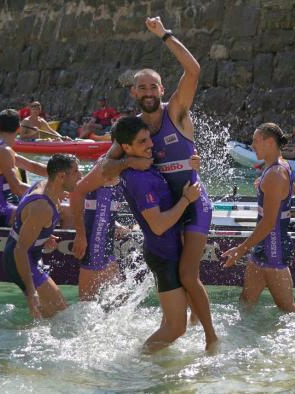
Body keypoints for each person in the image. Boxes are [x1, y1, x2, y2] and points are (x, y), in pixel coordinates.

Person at [100, 16, 218, 351]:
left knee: (188, 274)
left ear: (162, 90)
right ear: (133, 92)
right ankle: (189, 321)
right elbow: (107, 168)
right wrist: (130, 161)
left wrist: (163, 34)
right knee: (179, 273)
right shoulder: (132, 130)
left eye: (155, 86)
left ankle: (211, 339)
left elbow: (193, 70)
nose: (149, 92)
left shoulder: (177, 112)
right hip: (168, 209)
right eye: (143, 87)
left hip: (193, 203)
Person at [111, 116, 201, 352]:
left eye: (149, 138)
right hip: (163, 255)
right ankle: (138, 364)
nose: (150, 144)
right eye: (142, 142)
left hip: (170, 251)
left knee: (173, 323)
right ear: (127, 148)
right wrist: (186, 199)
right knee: (175, 328)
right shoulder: (138, 178)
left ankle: (158, 364)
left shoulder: (144, 165)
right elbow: (158, 225)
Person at [222, 123, 295, 313]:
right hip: (263, 246)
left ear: (270, 142)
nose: (252, 145)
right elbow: (290, 191)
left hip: (274, 248)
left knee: (287, 309)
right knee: (246, 300)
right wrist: (267, 191)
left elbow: (268, 223)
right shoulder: (279, 167)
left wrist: (240, 250)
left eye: (256, 141)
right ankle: (245, 339)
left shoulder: (275, 174)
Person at [2, 154, 82, 319]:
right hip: (19, 259)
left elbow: (24, 220)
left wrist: (42, 235)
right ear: (61, 176)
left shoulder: (47, 187)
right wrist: (32, 291)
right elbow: (20, 250)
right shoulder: (42, 206)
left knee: (47, 317)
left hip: (29, 255)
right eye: (76, 172)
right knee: (60, 315)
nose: (80, 176)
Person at [0, 109, 49, 227]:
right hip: (3, 210)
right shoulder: (4, 151)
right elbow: (17, 188)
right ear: (19, 128)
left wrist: (62, 176)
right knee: (61, 210)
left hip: (6, 204)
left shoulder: (0, 146)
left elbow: (33, 166)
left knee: (55, 205)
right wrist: (50, 192)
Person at [70, 162, 127, 301]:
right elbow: (77, 193)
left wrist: (114, 224)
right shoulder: (107, 166)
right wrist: (80, 235)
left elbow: (95, 206)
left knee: (120, 302)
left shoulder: (118, 166)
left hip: (105, 246)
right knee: (87, 305)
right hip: (95, 246)